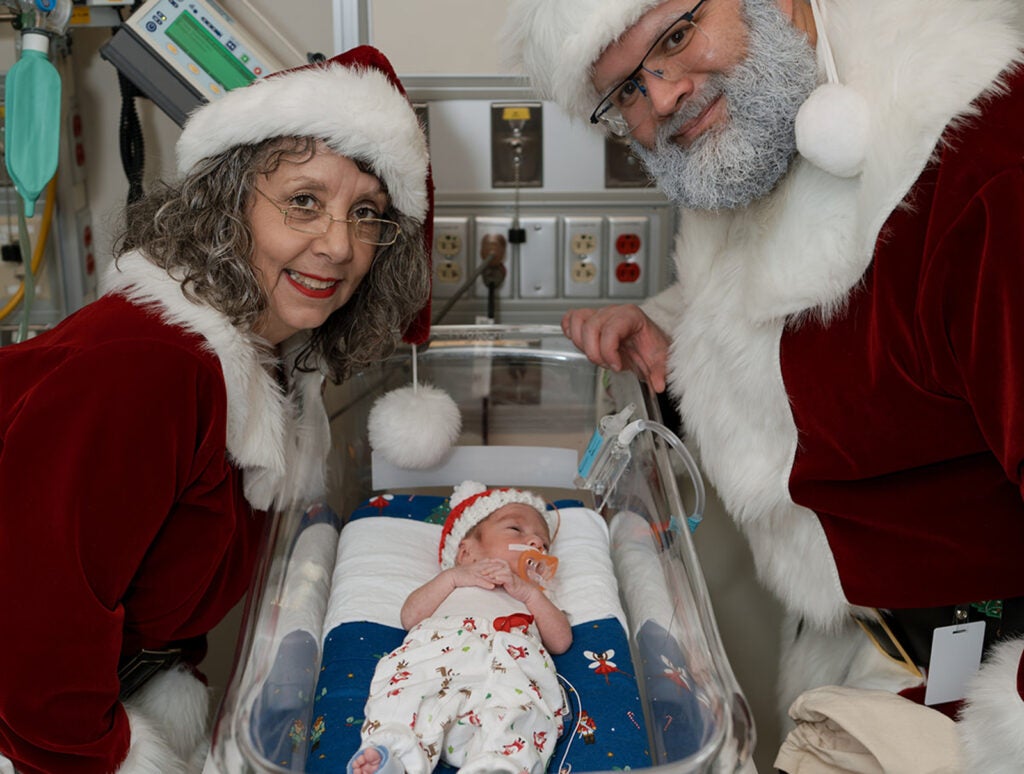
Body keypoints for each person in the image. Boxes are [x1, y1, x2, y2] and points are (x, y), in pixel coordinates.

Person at [504, 0, 1024, 769]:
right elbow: (803, 299)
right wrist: (674, 331)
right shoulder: (769, 123)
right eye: (626, 95)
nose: (664, 96)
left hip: (977, 691)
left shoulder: (984, 165)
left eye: (678, 37)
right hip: (862, 647)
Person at [0, 46, 432, 774]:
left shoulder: (268, 363)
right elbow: (31, 631)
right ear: (228, 203)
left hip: (119, 692)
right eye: (303, 201)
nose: (337, 245)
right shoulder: (152, 368)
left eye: (366, 215)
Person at [348, 480, 571, 774]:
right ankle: (393, 753)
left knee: (521, 711)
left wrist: (529, 594)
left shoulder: (537, 596)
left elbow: (560, 642)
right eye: (516, 529)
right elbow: (410, 616)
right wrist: (453, 578)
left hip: (508, 665)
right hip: (445, 651)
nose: (536, 543)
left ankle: (499, 765)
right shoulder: (454, 581)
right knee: (409, 688)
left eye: (543, 542)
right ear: (466, 552)